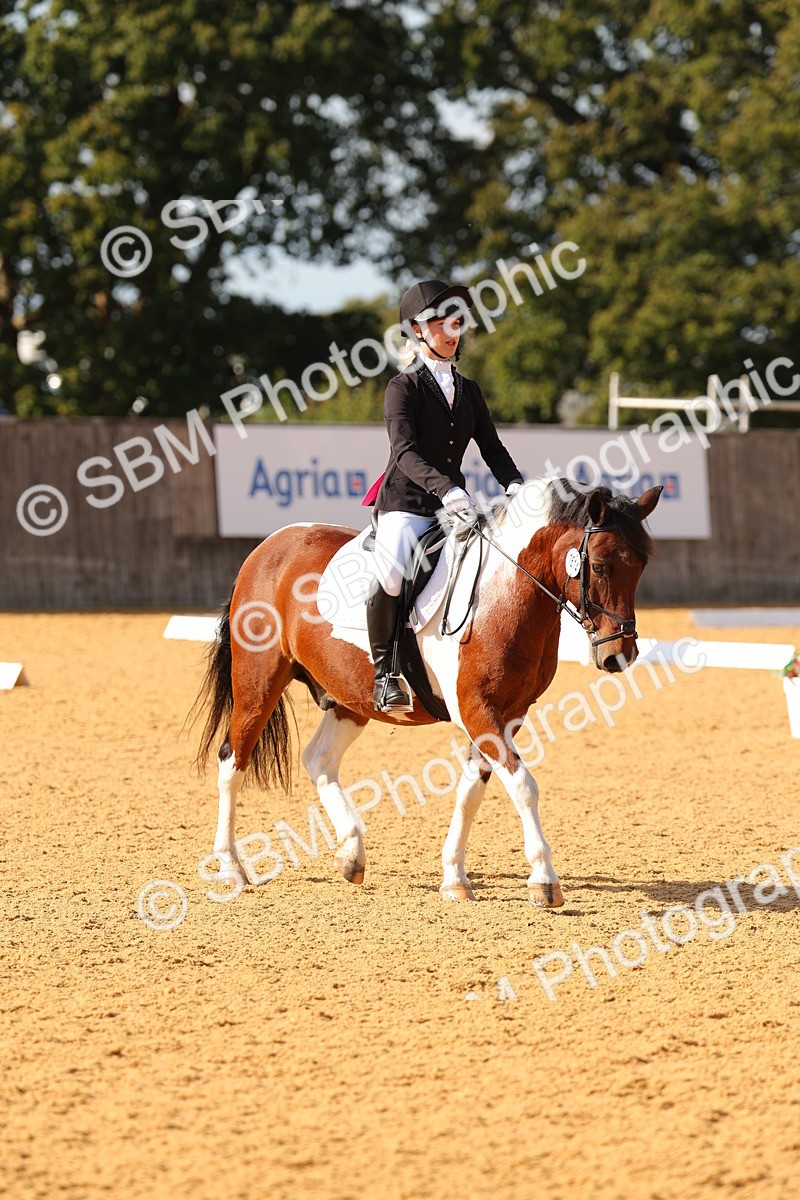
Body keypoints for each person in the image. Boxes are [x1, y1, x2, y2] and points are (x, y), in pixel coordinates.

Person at [367, 278, 524, 712]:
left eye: (457, 323)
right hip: (407, 504)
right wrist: (447, 488)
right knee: (395, 573)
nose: (453, 332)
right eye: (443, 324)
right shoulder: (403, 388)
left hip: (451, 508)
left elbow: (492, 448)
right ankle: (385, 674)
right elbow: (405, 452)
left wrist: (515, 484)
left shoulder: (469, 391)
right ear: (417, 330)